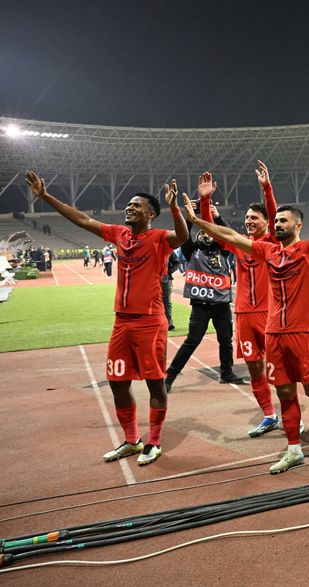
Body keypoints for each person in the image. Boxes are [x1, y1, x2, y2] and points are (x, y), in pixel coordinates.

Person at [183, 177, 309, 478]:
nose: (277, 224)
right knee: (286, 395)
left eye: (283, 221)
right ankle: (294, 450)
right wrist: (198, 218)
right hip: (273, 334)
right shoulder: (267, 251)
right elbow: (230, 236)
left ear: (298, 225)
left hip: (303, 335)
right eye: (275, 220)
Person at [26, 170, 188, 466]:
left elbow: (182, 236)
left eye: (136, 205)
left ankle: (154, 441)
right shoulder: (119, 234)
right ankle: (132, 440)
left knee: (154, 383)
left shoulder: (159, 238)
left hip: (150, 322)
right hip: (121, 322)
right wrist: (45, 196)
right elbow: (83, 220)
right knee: (117, 381)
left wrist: (175, 207)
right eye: (128, 204)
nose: (129, 208)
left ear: (151, 213)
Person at [213, 161, 284, 438]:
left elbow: (276, 215)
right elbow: (214, 232)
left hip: (270, 314)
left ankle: (291, 415)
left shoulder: (273, 243)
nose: (248, 221)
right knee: (255, 369)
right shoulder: (240, 245)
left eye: (254, 218)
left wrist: (267, 188)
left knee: (279, 371)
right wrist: (206, 203)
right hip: (243, 314)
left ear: (267, 223)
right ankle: (269, 415)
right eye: (246, 218)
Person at [164, 175, 243, 392]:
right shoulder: (192, 252)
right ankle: (170, 376)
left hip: (221, 305)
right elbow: (184, 235)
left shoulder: (224, 251)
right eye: (203, 234)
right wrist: (191, 216)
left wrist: (217, 219)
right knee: (192, 341)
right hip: (200, 305)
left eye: (211, 235)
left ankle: (227, 372)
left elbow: (231, 236)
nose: (207, 237)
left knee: (226, 341)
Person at [161, 251, 179, 330]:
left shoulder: (169, 250)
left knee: (166, 301)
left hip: (166, 280)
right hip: (151, 280)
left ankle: (169, 322)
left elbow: (177, 263)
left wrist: (168, 271)